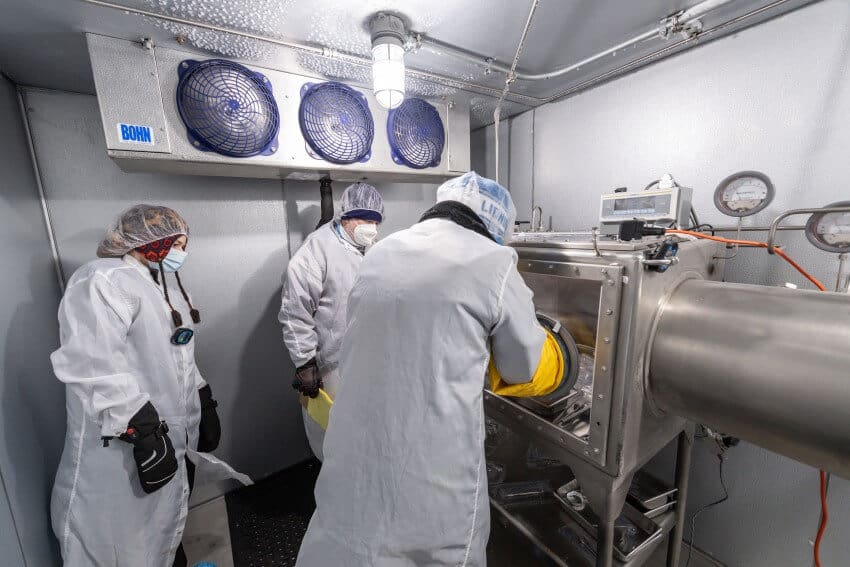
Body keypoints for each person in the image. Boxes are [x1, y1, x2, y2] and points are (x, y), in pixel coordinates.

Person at [295, 172, 567, 566]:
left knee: (347, 539)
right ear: (495, 226)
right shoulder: (494, 259)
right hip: (431, 472)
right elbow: (521, 368)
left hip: (357, 443)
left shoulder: (383, 251)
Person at [50, 204, 245, 567]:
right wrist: (140, 427)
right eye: (178, 244)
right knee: (123, 538)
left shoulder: (156, 287)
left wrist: (203, 398)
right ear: (152, 241)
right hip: (123, 443)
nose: (182, 253)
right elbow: (92, 365)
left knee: (161, 526)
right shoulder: (102, 280)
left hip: (164, 433)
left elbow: (178, 356)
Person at [279, 182, 384, 461]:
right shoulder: (316, 252)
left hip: (370, 358)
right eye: (363, 218)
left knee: (365, 432)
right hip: (331, 365)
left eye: (375, 220)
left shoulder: (374, 249)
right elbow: (295, 312)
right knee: (331, 437)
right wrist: (305, 363)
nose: (370, 227)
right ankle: (331, 491)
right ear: (345, 216)